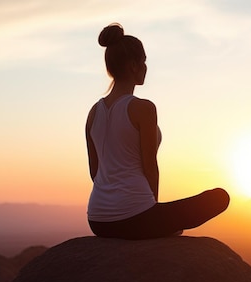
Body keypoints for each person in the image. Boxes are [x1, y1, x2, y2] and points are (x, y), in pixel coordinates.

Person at [86, 23, 229, 240]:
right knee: (220, 198)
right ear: (134, 66)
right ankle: (160, 225)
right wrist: (154, 216)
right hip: (136, 218)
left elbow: (95, 173)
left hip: (97, 220)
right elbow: (150, 167)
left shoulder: (93, 113)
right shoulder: (143, 108)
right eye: (144, 63)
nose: (145, 68)